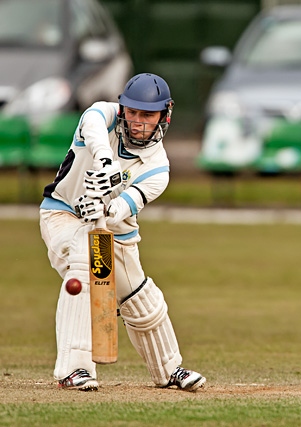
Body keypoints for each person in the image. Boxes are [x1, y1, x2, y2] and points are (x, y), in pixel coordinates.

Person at [39, 73, 206, 392]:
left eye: (147, 114)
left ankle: (169, 371)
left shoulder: (158, 168)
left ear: (164, 115)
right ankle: (74, 369)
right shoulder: (101, 114)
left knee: (141, 298)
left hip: (117, 228)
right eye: (132, 112)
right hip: (63, 213)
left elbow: (123, 209)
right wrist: (104, 161)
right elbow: (91, 129)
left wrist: (105, 210)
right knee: (85, 266)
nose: (138, 121)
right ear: (122, 109)